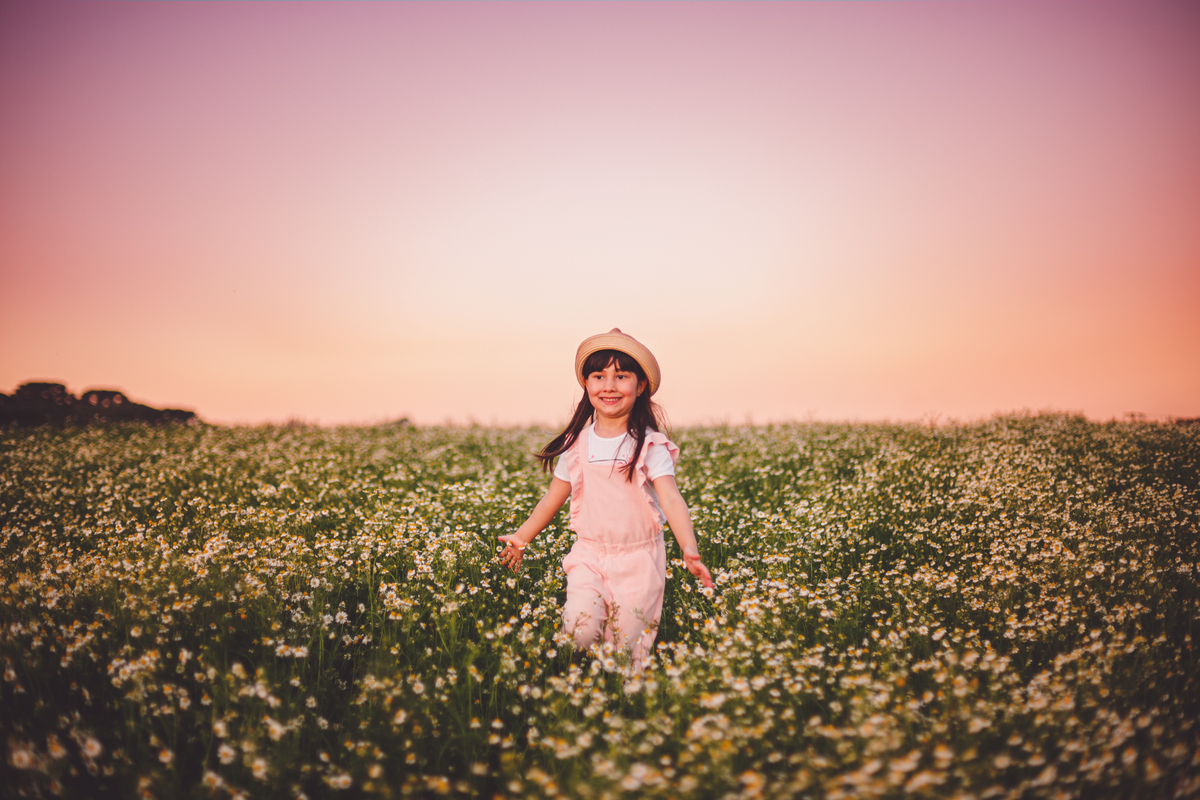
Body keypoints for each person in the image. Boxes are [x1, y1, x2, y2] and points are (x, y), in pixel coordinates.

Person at [498, 328, 714, 669]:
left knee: (626, 650)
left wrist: (689, 548)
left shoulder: (648, 444)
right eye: (599, 376)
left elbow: (672, 499)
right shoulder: (576, 444)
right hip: (589, 554)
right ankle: (573, 677)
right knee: (579, 630)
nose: (609, 386)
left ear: (640, 386)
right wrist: (521, 538)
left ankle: (618, 693)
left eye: (621, 376)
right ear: (586, 384)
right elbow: (551, 500)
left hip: (639, 560)